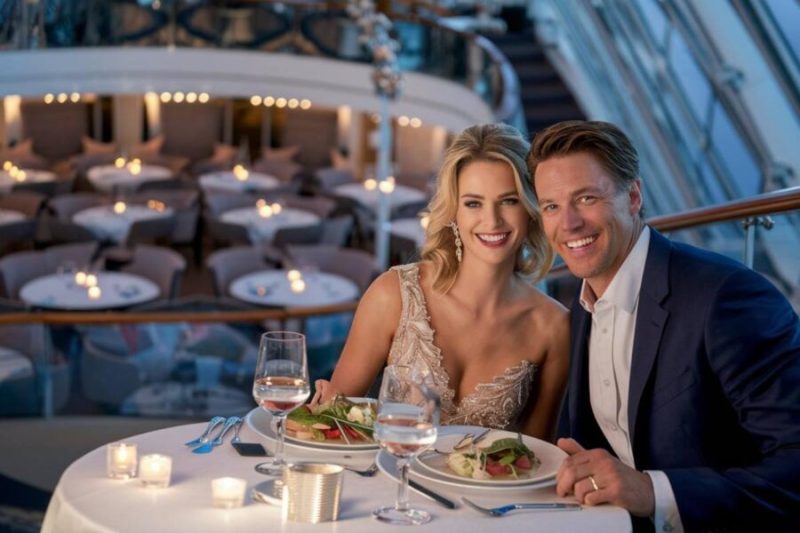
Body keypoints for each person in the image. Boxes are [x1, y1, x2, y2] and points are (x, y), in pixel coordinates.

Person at [527, 120, 800, 531]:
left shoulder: (725, 297)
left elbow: (795, 463)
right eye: (550, 206)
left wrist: (653, 492)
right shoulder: (583, 303)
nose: (567, 224)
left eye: (586, 198)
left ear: (633, 196)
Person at [312, 123, 569, 439]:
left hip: (483, 490)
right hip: (388, 482)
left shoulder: (553, 327)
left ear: (531, 209)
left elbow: (536, 456)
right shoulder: (393, 295)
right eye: (473, 203)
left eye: (509, 200)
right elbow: (331, 424)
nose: (492, 220)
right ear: (453, 213)